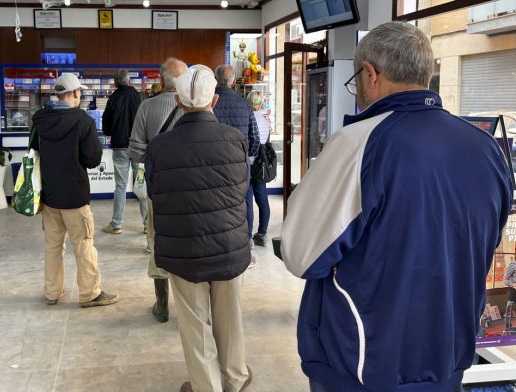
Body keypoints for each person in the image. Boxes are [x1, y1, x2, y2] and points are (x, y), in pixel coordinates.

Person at [279, 22, 512, 392]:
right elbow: (483, 239)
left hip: (363, 366)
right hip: (446, 360)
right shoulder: (487, 150)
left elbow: (301, 254)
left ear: (370, 74)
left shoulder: (358, 143)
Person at [147, 64, 252, 392]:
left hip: (183, 249)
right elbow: (240, 190)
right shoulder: (235, 140)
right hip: (228, 244)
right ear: (215, 100)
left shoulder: (160, 147)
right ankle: (235, 378)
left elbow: (154, 194)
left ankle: (207, 386)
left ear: (178, 101)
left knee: (194, 324)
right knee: (230, 318)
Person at [30, 73, 118, 308]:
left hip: (49, 196)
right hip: (75, 196)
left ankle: (52, 292)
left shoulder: (39, 119)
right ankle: (89, 293)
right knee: (84, 244)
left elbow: (34, 152)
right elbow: (91, 159)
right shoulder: (83, 121)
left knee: (53, 247)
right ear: (75, 93)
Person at [129, 57, 187, 323]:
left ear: (161, 80)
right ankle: (189, 304)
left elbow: (136, 149)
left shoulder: (146, 107)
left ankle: (162, 304)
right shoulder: (193, 108)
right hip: (188, 191)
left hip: (158, 189)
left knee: (157, 242)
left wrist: (152, 161)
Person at [212, 64, 260, 250]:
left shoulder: (209, 102)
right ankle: (246, 238)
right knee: (244, 199)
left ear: (216, 80)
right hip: (240, 163)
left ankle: (218, 239)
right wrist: (248, 156)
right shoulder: (244, 105)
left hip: (214, 163)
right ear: (233, 81)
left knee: (217, 201)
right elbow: (254, 137)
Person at [101, 69, 145, 235]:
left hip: (120, 147)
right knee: (141, 184)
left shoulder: (113, 98)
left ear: (115, 83)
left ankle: (116, 224)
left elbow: (105, 126)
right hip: (138, 147)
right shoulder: (140, 97)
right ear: (129, 81)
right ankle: (147, 224)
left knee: (120, 186)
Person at [245, 90, 271, 248]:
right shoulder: (266, 120)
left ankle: (248, 237)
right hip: (261, 166)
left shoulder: (248, 118)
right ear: (261, 103)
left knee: (247, 200)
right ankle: (262, 234)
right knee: (262, 199)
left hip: (248, 163)